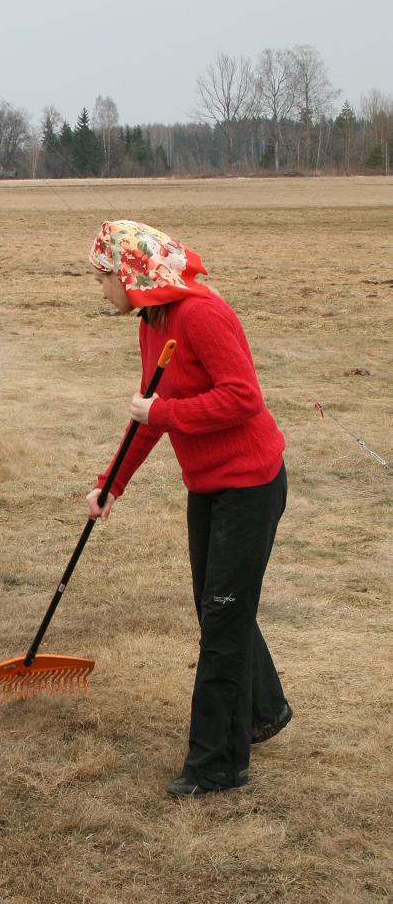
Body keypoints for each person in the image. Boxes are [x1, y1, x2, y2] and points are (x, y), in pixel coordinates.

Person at [86, 220, 291, 798]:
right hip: (207, 485)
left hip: (250, 484)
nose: (101, 290)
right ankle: (263, 710)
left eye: (102, 278)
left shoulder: (200, 313)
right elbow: (151, 410)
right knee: (219, 608)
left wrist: (164, 417)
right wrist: (111, 484)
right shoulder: (154, 322)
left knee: (223, 618)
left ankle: (218, 765)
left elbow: (242, 397)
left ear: (131, 274)